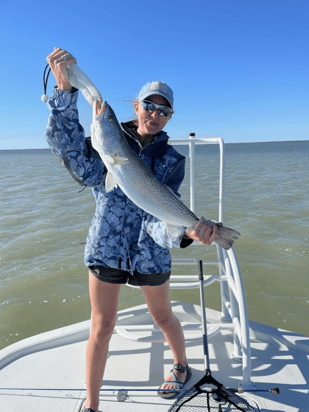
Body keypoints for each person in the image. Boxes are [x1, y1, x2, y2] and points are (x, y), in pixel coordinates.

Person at [46, 47, 220, 412]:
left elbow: (161, 214)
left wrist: (186, 232)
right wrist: (65, 96)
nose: (155, 114)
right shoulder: (109, 142)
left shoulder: (172, 160)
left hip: (150, 253)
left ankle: (181, 365)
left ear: (169, 116)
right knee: (102, 325)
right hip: (106, 248)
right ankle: (92, 405)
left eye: (164, 110)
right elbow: (72, 153)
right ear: (137, 105)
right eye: (149, 106)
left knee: (163, 317)